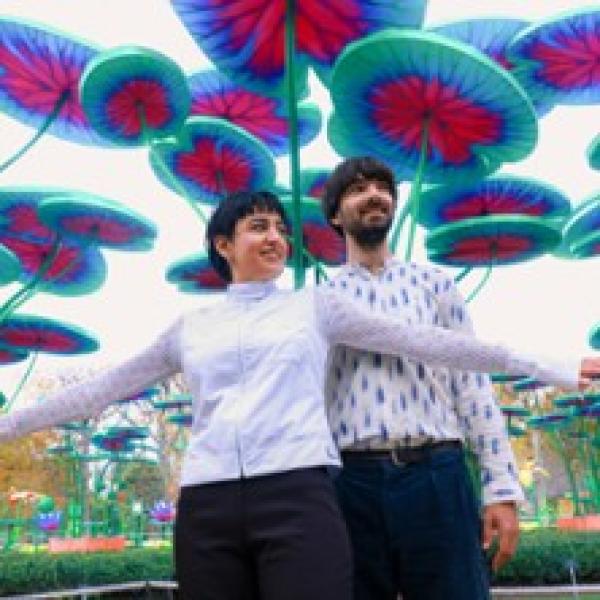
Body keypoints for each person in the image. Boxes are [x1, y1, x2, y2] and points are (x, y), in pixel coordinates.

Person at [0, 190, 595, 600]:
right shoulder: (190, 327)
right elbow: (102, 389)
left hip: (298, 496)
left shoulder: (315, 306)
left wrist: (551, 365)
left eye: (281, 229)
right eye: (259, 226)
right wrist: (9, 424)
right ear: (223, 244)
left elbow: (429, 343)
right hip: (207, 506)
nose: (276, 238)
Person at [320, 156, 599, 600]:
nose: (374, 195)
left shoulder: (435, 285)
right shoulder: (319, 300)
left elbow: (473, 388)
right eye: (357, 189)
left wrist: (501, 487)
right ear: (336, 215)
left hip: (436, 474)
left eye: (382, 187)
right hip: (352, 483)